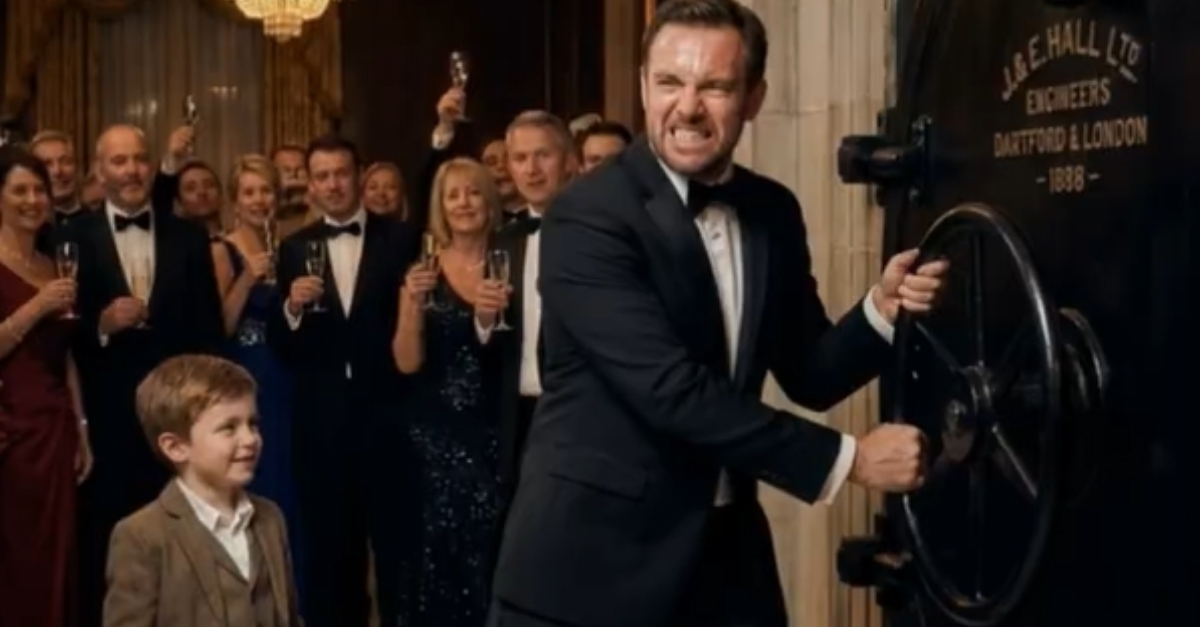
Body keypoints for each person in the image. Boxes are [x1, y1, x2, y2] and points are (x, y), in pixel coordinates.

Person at [487, 2, 949, 627]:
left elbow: (810, 373)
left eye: (715, 86)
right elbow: (669, 389)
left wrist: (880, 312)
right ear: (644, 86)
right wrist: (850, 460)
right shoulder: (586, 215)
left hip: (728, 565)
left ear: (754, 97)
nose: (688, 108)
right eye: (669, 82)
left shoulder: (771, 209)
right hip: (591, 568)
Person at [103, 354, 302, 626]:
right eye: (229, 428)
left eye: (253, 424)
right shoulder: (141, 536)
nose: (250, 439)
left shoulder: (270, 518)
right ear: (175, 447)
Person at [0, 147, 90, 627]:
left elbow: (66, 356)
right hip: (10, 429)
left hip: (55, 427)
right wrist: (36, 307)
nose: (32, 199)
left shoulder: (54, 262)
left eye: (39, 190)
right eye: (20, 190)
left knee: (59, 555)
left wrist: (82, 427)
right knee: (17, 557)